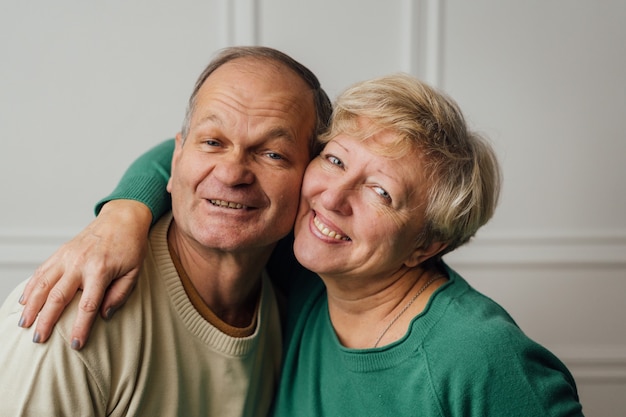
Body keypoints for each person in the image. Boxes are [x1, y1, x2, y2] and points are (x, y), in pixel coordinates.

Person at [14, 72, 584, 415]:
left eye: (381, 192)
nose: (331, 198)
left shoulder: (476, 357)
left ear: (425, 245)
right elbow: (201, 154)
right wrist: (121, 216)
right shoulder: (303, 272)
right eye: (333, 159)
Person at [0, 45, 332, 416]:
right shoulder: (67, 323)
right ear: (175, 161)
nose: (231, 173)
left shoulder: (291, 302)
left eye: (273, 154)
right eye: (212, 142)